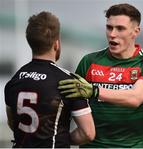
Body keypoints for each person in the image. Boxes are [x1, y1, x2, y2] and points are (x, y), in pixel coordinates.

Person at [58, 3, 143, 148]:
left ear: (135, 31)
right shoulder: (89, 61)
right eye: (109, 27)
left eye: (120, 28)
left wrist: (95, 91)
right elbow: (71, 105)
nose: (112, 34)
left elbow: (135, 98)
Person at [4, 11, 95, 148]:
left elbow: (13, 123)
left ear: (31, 42)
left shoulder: (14, 81)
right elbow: (88, 133)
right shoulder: (68, 82)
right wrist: (62, 138)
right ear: (56, 44)